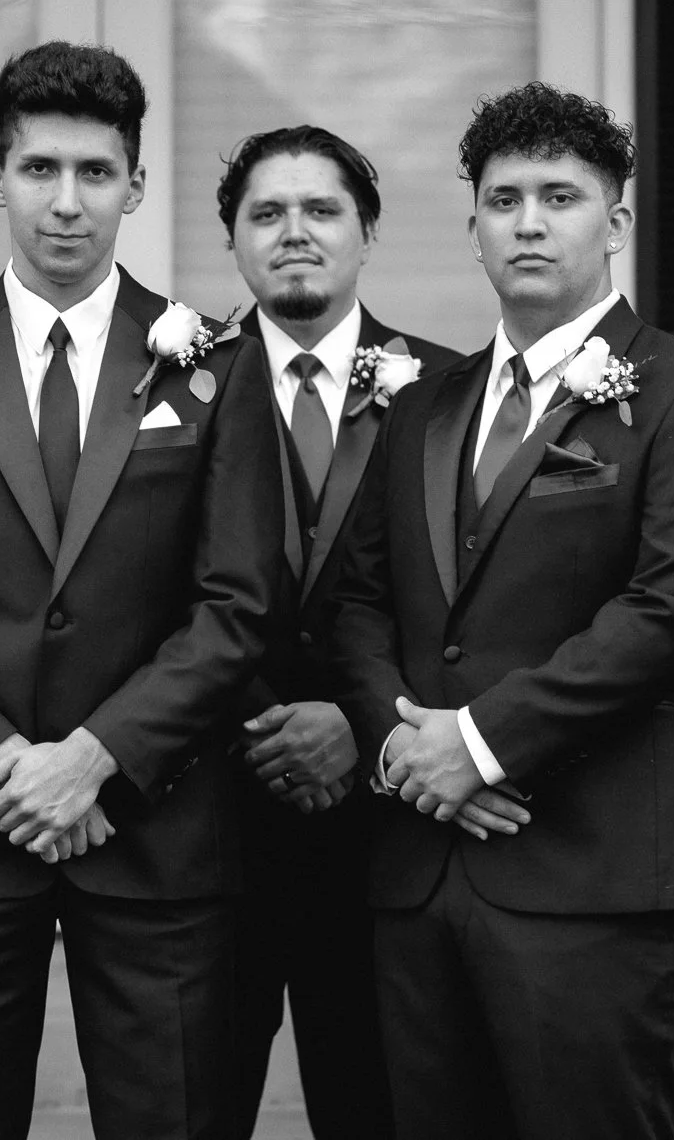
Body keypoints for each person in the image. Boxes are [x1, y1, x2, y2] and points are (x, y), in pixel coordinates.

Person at [0, 41, 283, 1139]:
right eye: (38, 171)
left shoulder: (215, 363)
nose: (64, 203)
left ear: (132, 184)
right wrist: (3, 767)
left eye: (92, 173)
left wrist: (94, 760)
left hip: (155, 825)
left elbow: (236, 607)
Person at [322, 82, 674, 1139]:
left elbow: (669, 614)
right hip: (422, 876)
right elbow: (355, 603)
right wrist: (402, 751)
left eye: (557, 196)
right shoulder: (425, 403)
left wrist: (475, 744)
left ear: (612, 221)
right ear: (473, 224)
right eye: (502, 198)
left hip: (594, 881)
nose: (527, 221)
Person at [220, 125, 461, 1140]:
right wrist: (258, 721)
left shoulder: (449, 391)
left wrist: (355, 728)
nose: (294, 233)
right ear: (232, 239)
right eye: (266, 214)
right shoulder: (169, 385)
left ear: (364, 231)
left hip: (383, 830)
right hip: (207, 823)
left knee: (377, 1109)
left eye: (320, 210)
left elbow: (465, 607)